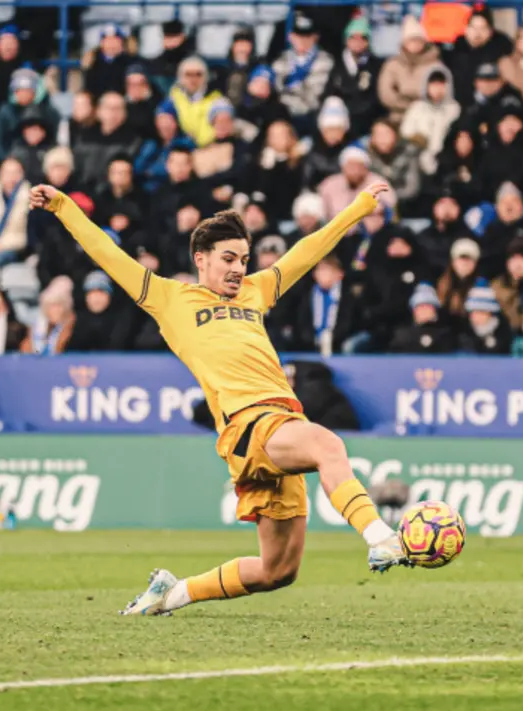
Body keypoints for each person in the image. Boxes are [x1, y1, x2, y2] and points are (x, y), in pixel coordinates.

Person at [29, 179, 410, 616]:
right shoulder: (169, 297)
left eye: (244, 260)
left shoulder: (255, 291)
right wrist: (61, 206)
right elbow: (106, 252)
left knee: (277, 571)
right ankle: (381, 538)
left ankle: (171, 594)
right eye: (228, 258)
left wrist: (358, 209)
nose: (238, 269)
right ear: (201, 259)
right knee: (328, 444)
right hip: (249, 425)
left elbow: (307, 250)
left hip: (279, 421)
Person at [271, 14, 334, 131]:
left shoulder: (325, 61)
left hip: (312, 115)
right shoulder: (281, 61)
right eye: (298, 35)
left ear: (315, 37)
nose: (302, 41)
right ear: (291, 37)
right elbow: (278, 90)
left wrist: (291, 86)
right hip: (286, 115)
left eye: (307, 36)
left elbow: (315, 96)